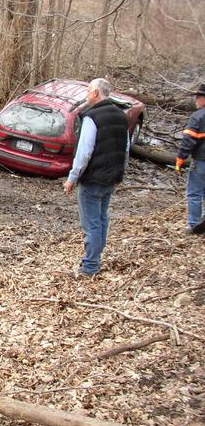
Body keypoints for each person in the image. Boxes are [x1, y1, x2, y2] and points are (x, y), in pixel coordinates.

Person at [63, 78, 130, 278]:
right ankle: (95, 260)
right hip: (112, 178)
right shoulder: (121, 115)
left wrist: (72, 178)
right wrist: (121, 173)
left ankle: (90, 267)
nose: (86, 96)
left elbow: (84, 152)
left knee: (92, 223)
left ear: (95, 93)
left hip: (93, 179)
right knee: (101, 219)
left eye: (88, 92)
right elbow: (125, 149)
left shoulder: (92, 117)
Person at [175, 83, 205, 233]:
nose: (196, 100)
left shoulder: (198, 117)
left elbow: (188, 141)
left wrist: (180, 160)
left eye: (198, 97)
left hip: (201, 161)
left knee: (194, 193)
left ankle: (194, 225)